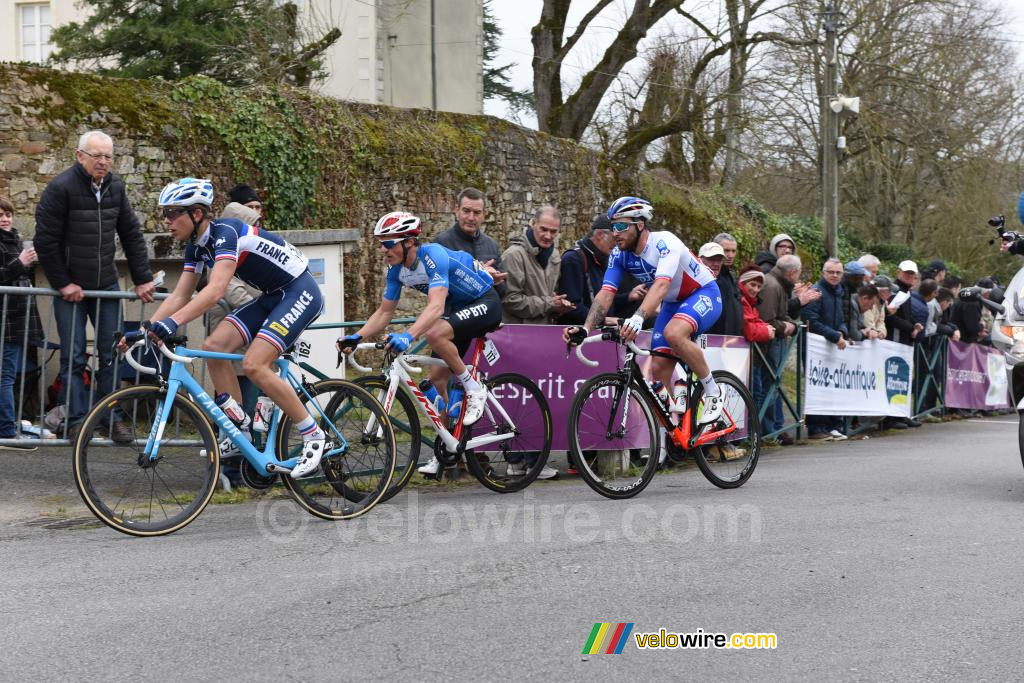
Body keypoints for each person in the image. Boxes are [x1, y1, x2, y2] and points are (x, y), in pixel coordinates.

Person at [131, 178, 327, 478]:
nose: (167, 221)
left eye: (173, 213)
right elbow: (180, 295)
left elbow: (214, 290)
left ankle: (313, 435)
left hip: (299, 291)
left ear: (197, 214)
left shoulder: (225, 234)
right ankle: (240, 430)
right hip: (273, 296)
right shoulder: (196, 248)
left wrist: (171, 323)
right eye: (165, 214)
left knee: (254, 364)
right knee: (213, 348)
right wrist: (148, 327)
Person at [338, 211, 500, 477]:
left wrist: (408, 336)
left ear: (409, 242)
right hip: (458, 308)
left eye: (388, 243)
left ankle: (474, 387)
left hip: (484, 302)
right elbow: (384, 312)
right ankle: (448, 446)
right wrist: (357, 336)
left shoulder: (432, 255)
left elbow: (436, 306)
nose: (382, 249)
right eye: (380, 242)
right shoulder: (396, 270)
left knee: (435, 333)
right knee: (436, 380)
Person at [34, 130, 155, 443]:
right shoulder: (60, 188)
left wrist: (142, 277)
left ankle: (110, 418)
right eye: (97, 156)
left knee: (113, 353)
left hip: (106, 285)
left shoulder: (115, 186)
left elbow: (131, 233)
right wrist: (63, 283)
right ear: (80, 156)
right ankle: (75, 422)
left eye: (108, 157)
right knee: (73, 358)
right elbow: (45, 243)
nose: (103, 162)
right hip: (71, 291)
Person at [563, 196, 725, 425]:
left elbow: (661, 285)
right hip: (672, 303)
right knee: (658, 367)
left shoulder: (665, 243)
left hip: (703, 293)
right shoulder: (619, 255)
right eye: (612, 227)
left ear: (640, 225)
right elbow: (605, 294)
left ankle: (713, 391)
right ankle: (681, 428)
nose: (615, 233)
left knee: (674, 333)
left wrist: (638, 319)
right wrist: (585, 328)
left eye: (621, 226)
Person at [0, 197, 43, 450]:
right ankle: (6, 432)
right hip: (5, 318)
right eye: (1, 214)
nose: (5, 218)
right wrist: (21, 263)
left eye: (8, 214)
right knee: (5, 376)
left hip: (17, 318)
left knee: (9, 375)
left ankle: (8, 427)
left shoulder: (13, 240)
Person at [556, 215, 646, 325]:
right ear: (599, 235)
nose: (617, 243)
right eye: (614, 238)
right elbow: (570, 307)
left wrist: (629, 296)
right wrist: (605, 320)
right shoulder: (573, 259)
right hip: (576, 334)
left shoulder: (602, 259)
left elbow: (604, 301)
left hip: (595, 331)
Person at [500, 206, 575, 324]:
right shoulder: (513, 255)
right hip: (518, 333)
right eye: (543, 229)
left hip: (545, 331)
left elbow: (553, 294)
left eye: (553, 231)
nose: (548, 236)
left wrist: (561, 304)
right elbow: (510, 301)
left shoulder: (554, 256)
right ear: (533, 223)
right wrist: (550, 304)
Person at [802, 258, 849, 441]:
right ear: (823, 273)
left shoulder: (839, 292)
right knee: (817, 385)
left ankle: (832, 425)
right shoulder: (816, 291)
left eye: (838, 272)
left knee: (833, 386)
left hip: (832, 346)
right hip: (816, 348)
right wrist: (834, 336)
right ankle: (816, 427)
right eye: (831, 272)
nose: (835, 275)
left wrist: (842, 331)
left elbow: (842, 319)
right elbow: (810, 320)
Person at [756, 254, 801, 445]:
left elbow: (781, 315)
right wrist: (787, 327)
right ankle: (766, 432)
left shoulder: (778, 284)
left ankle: (770, 430)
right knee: (769, 386)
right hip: (768, 346)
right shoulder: (773, 286)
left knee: (772, 385)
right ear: (791, 273)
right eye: (798, 272)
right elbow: (768, 320)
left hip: (774, 343)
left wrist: (791, 324)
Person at [434, 187, 507, 296]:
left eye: (477, 212)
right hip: (453, 312)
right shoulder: (441, 244)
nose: (471, 218)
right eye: (466, 211)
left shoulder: (492, 245)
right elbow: (436, 288)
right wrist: (479, 276)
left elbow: (503, 292)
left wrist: (495, 282)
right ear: (457, 211)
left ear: (484, 215)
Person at [709, 233, 743, 336]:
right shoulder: (708, 276)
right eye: (726, 250)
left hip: (731, 340)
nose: (731, 255)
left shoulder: (731, 275)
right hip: (712, 337)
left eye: (733, 251)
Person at [841, 261, 868, 341]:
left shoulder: (862, 288)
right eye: (857, 278)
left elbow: (860, 314)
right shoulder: (841, 289)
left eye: (862, 276)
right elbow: (845, 315)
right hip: (844, 336)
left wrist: (862, 328)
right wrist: (846, 335)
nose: (860, 280)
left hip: (854, 333)